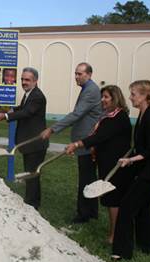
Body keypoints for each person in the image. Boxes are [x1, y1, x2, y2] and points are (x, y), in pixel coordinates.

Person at [65, 85, 132, 243]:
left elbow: (99, 136)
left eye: (106, 97)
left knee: (114, 200)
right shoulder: (108, 116)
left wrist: (76, 144)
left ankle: (115, 236)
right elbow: (96, 135)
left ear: (115, 98)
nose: (102, 100)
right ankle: (115, 232)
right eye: (102, 97)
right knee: (110, 200)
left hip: (116, 166)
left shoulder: (118, 117)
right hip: (107, 163)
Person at [111, 80, 150, 260]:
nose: (130, 97)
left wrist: (130, 160)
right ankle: (149, 247)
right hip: (149, 169)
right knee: (145, 208)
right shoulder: (144, 115)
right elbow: (140, 146)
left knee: (127, 207)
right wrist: (130, 157)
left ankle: (121, 252)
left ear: (145, 96)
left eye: (134, 94)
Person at [41, 62, 102, 224]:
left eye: (80, 74)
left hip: (87, 143)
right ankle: (91, 212)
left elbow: (76, 114)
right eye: (75, 73)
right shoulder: (88, 89)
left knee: (86, 178)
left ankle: (84, 214)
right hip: (86, 142)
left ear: (89, 74)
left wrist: (52, 129)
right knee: (89, 177)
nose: (76, 76)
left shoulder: (90, 90)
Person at [0, 67, 48, 210]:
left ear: (35, 81)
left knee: (32, 175)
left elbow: (28, 112)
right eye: (22, 79)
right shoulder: (29, 94)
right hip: (30, 143)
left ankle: (32, 205)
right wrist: (12, 110)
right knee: (31, 174)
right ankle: (32, 201)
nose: (24, 82)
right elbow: (23, 107)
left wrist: (6, 116)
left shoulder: (37, 96)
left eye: (27, 80)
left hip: (35, 143)